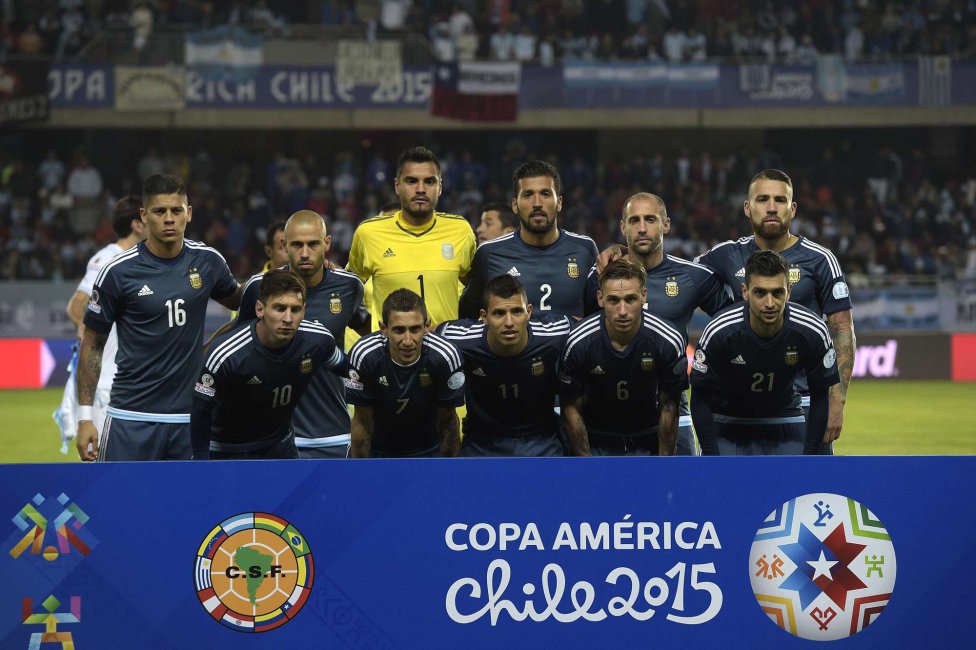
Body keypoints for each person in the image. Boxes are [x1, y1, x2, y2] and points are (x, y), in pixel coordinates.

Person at [76, 173, 242, 461]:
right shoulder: (117, 272)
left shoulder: (207, 262)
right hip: (130, 417)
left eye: (176, 211)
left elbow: (246, 303)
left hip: (190, 418)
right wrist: (85, 417)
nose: (169, 219)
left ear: (188, 214)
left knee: (193, 506)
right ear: (144, 215)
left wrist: (214, 345)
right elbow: (92, 343)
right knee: (121, 505)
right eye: (160, 211)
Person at [694, 169, 855, 453]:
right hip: (737, 407)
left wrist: (836, 399)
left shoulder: (820, 260)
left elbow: (842, 330)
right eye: (762, 199)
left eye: (780, 200)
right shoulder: (724, 255)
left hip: (806, 403)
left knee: (806, 490)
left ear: (792, 209)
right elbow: (674, 277)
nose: (771, 207)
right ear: (747, 207)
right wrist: (625, 256)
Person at [584, 192, 733, 455]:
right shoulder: (599, 278)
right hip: (607, 413)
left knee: (680, 493)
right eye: (634, 220)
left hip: (674, 408)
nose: (642, 228)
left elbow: (733, 326)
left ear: (666, 224)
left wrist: (707, 374)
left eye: (650, 219)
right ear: (622, 227)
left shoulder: (693, 277)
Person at [236, 210, 369, 458]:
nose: (305, 253)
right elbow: (237, 348)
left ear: (327, 244)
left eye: (313, 244)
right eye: (297, 245)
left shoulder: (349, 287)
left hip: (332, 433)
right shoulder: (259, 288)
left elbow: (366, 329)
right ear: (284, 245)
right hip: (270, 437)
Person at [690, 251, 840, 455]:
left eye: (777, 293)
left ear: (789, 290)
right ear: (745, 291)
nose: (770, 304)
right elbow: (699, 396)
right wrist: (711, 454)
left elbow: (820, 395)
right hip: (728, 420)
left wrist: (810, 456)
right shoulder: (720, 331)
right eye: (760, 293)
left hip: (785, 416)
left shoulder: (812, 330)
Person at [192, 270, 345, 460]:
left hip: (280, 446)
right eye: (279, 309)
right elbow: (200, 411)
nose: (288, 319)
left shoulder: (318, 340)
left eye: (295, 310)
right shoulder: (226, 354)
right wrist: (200, 461)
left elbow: (347, 370)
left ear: (304, 310)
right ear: (260, 309)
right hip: (226, 450)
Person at [562, 260, 689, 456]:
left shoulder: (667, 340)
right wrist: (585, 465)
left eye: (630, 299)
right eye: (613, 300)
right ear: (600, 298)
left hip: (648, 440)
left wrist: (666, 466)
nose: (622, 311)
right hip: (596, 441)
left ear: (644, 296)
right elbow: (571, 407)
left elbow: (669, 406)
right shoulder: (579, 342)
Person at [437, 274, 571, 456]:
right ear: (484, 316)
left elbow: (591, 327)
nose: (509, 322)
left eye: (517, 311)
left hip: (542, 441)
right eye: (499, 313)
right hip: (481, 443)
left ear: (529, 312)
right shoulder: (458, 337)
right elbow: (422, 334)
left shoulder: (555, 333)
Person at [346, 146, 476, 328]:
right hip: (388, 353)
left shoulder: (460, 230)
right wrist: (369, 330)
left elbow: (476, 291)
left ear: (440, 187)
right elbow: (347, 289)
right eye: (411, 181)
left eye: (429, 182)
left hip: (446, 351)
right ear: (397, 186)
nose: (421, 189)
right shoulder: (368, 233)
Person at [56, 196, 146, 453]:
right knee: (104, 463)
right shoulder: (106, 259)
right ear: (137, 224)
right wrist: (84, 326)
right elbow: (76, 304)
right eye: (148, 216)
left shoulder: (143, 259)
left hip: (133, 381)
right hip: (105, 381)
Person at [459, 160, 598, 320]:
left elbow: (599, 315)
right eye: (527, 195)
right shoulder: (488, 254)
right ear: (515, 205)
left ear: (559, 203)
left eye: (545, 194)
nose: (537, 203)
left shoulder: (585, 249)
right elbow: (467, 316)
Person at [347, 289, 464, 458]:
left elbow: (448, 422)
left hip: (429, 452)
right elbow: (362, 422)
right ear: (384, 328)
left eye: (415, 329)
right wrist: (360, 473)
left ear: (426, 327)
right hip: (378, 452)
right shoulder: (364, 355)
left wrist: (449, 471)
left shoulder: (445, 356)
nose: (408, 341)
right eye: (399, 330)